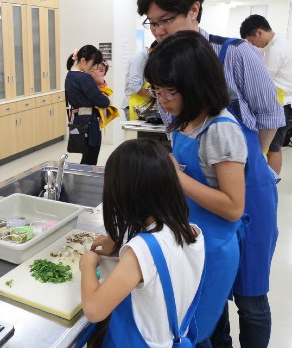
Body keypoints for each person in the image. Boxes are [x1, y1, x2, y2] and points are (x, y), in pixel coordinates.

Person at [137, 1, 282, 346]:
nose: (159, 30)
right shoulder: (163, 67)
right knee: (208, 301)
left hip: (247, 184)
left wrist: (242, 161)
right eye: (151, 23)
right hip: (203, 199)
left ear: (193, 10)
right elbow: (176, 131)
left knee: (250, 295)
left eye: (166, 20)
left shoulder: (235, 53)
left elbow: (268, 119)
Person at [144, 30, 247, 346]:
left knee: (193, 332)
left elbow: (233, 207)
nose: (161, 101)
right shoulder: (185, 119)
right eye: (156, 91)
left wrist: (178, 178)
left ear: (196, 84)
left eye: (168, 92)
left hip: (213, 249)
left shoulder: (221, 130)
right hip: (188, 239)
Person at [79, 138, 205, 347]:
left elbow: (93, 310)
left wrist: (88, 264)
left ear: (124, 194)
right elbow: (162, 266)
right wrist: (120, 245)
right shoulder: (191, 232)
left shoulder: (140, 252)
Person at [240, 14, 292, 175]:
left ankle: (271, 184)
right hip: (280, 101)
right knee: (272, 147)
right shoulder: (277, 44)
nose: (251, 44)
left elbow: (263, 80)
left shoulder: (276, 49)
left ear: (259, 32)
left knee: (273, 148)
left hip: (281, 103)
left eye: (250, 40)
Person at [65, 45, 110, 165]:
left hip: (77, 120)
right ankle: (85, 181)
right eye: (93, 65)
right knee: (91, 154)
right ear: (83, 60)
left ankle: (81, 179)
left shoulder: (70, 75)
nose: (94, 68)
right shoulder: (83, 77)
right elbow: (103, 102)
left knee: (86, 154)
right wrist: (105, 97)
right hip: (89, 122)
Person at [121, 41, 158, 120]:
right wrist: (155, 99)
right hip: (134, 105)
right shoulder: (139, 58)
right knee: (135, 132)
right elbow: (135, 86)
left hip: (145, 104)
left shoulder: (150, 59)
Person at [90, 61, 119, 131]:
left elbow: (102, 86)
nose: (98, 72)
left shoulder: (100, 79)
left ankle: (102, 121)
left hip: (100, 98)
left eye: (101, 71)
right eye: (96, 69)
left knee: (104, 105)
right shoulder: (88, 78)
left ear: (104, 73)